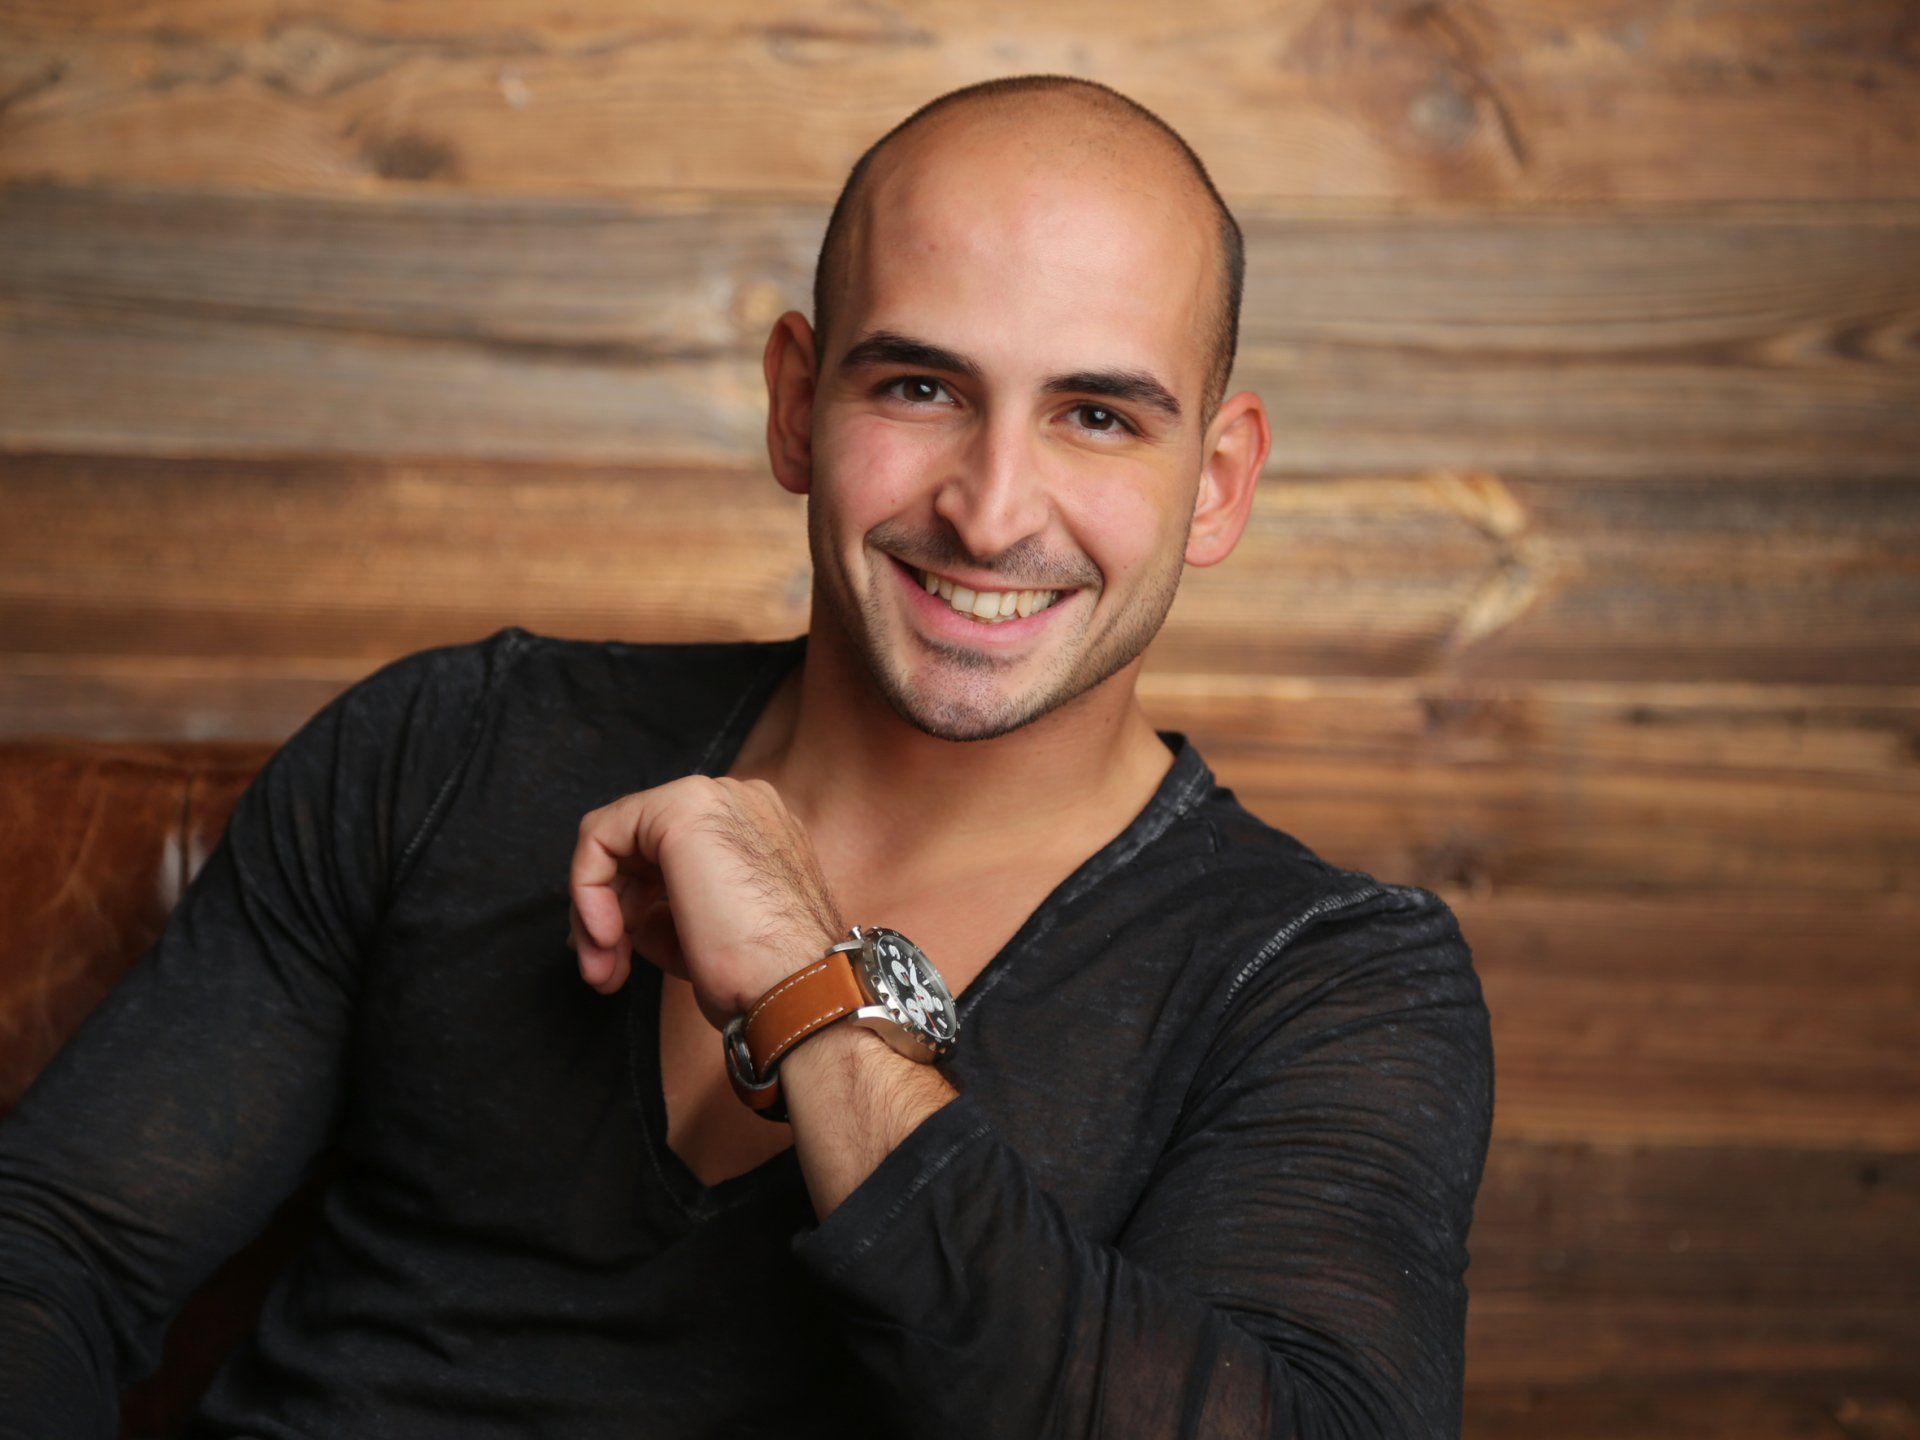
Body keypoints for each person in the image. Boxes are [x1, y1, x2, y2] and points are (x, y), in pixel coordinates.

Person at [0, 74, 1494, 1439]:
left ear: (1217, 484)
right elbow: (52, 1252)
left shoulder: (1325, 978)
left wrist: (813, 991)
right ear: (796, 403)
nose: (990, 511)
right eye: (920, 388)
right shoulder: (448, 743)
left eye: (1097, 416)